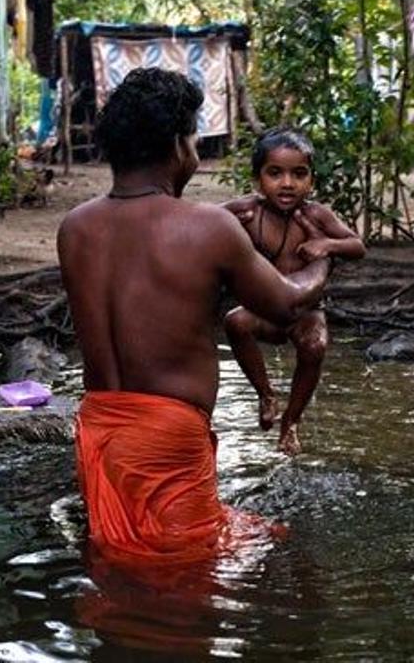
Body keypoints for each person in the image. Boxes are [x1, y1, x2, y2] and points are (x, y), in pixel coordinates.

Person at [57, 68, 331, 566]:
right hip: (167, 438)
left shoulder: (75, 227)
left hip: (99, 428)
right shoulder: (207, 227)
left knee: (122, 561)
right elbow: (288, 303)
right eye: (193, 139)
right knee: (182, 583)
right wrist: (322, 258)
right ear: (177, 147)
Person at [220, 129, 366, 455]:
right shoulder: (249, 212)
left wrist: (327, 243)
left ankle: (291, 421)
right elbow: (202, 221)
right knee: (234, 322)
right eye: (275, 173)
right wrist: (229, 224)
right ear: (258, 179)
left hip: (306, 313)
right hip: (265, 311)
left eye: (299, 174)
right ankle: (265, 393)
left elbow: (357, 246)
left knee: (315, 346)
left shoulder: (315, 215)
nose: (287, 183)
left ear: (311, 180)